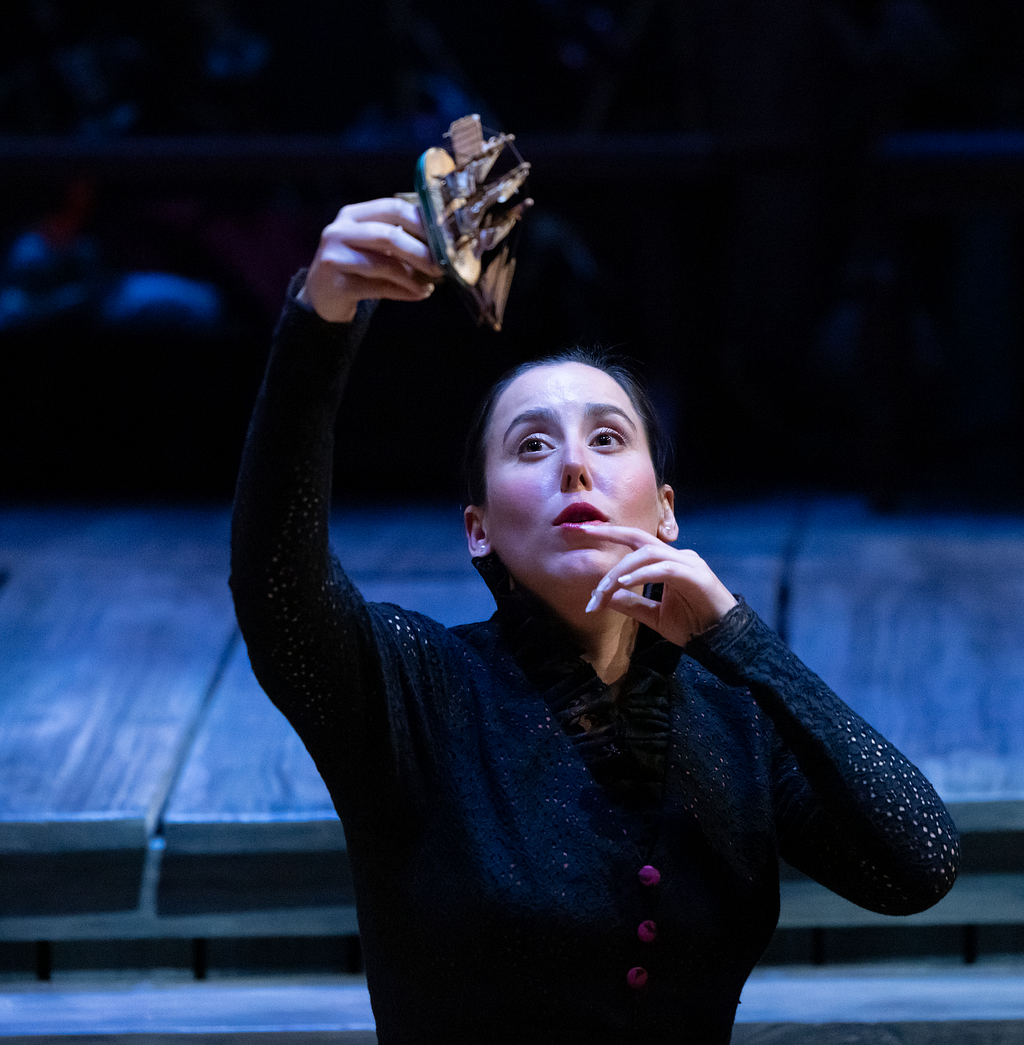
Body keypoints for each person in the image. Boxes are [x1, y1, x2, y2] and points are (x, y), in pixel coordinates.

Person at [230, 197, 960, 1045]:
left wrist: (742, 640)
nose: (574, 463)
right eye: (531, 447)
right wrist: (316, 323)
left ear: (665, 511)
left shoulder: (732, 715)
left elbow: (920, 864)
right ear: (480, 529)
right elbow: (277, 578)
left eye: (608, 439)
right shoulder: (414, 682)